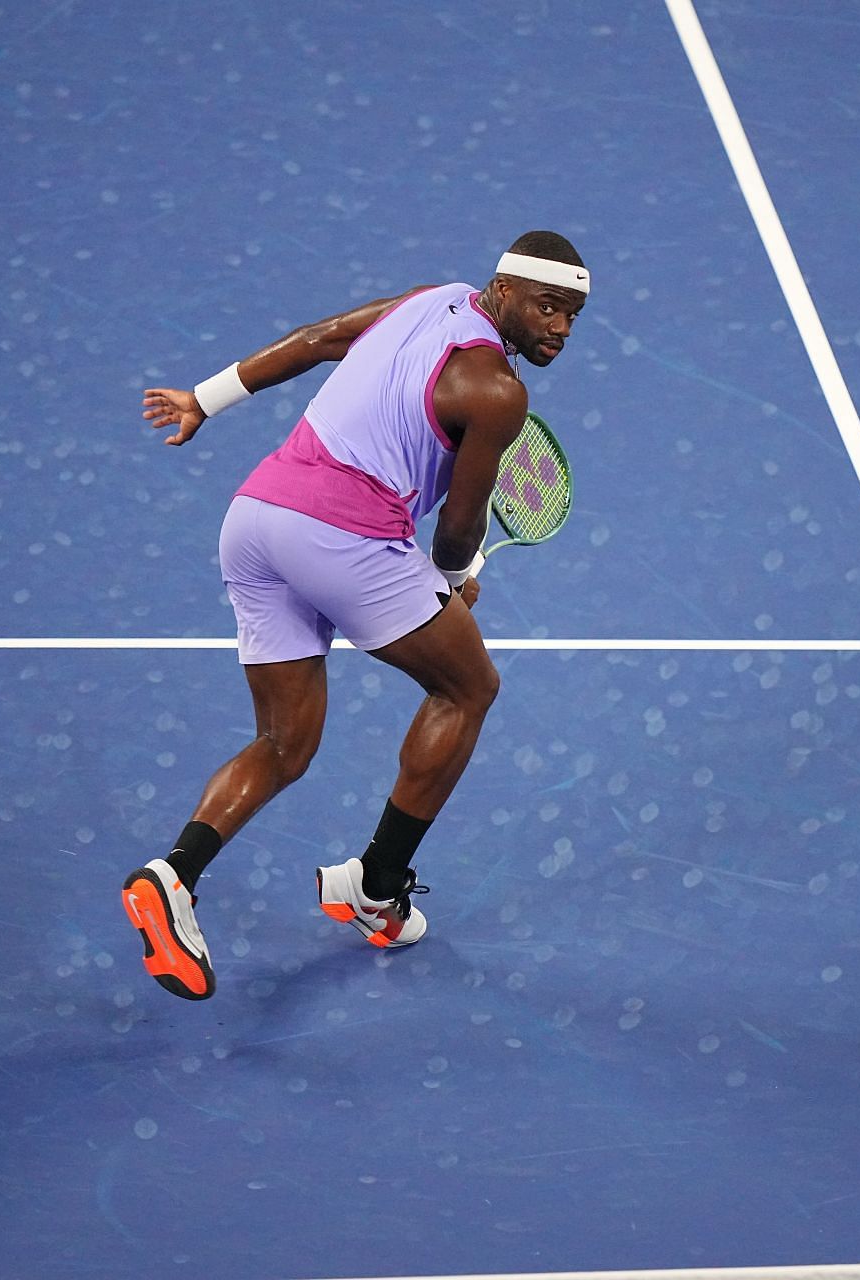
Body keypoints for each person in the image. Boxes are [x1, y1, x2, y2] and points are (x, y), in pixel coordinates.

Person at [120, 231, 590, 1000]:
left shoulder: (428, 299)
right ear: (503, 291)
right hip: (341, 539)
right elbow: (458, 529)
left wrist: (203, 398)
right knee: (467, 689)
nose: (560, 329)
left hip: (255, 518)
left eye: (572, 315)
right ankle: (375, 886)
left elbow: (317, 340)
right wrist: (451, 582)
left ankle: (171, 878)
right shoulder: (498, 393)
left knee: (283, 743)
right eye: (548, 307)